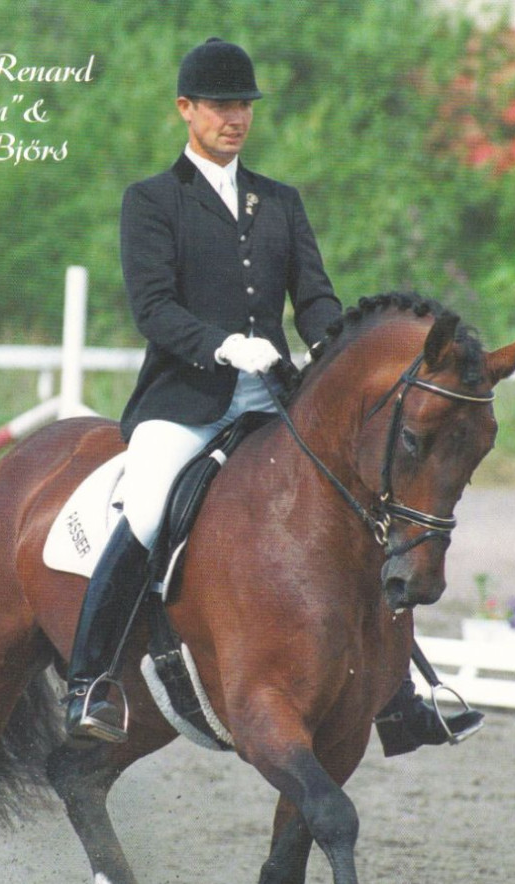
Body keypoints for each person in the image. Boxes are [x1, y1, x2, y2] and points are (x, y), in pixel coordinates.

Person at [64, 37, 483, 755]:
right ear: (186, 110)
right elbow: (154, 308)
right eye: (221, 105)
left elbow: (315, 297)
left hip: (271, 396)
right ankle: (90, 680)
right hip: (185, 399)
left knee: (366, 502)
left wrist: (332, 348)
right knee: (149, 502)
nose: (235, 117)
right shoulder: (153, 201)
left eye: (244, 106)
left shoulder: (279, 202)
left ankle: (400, 698)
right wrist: (222, 344)